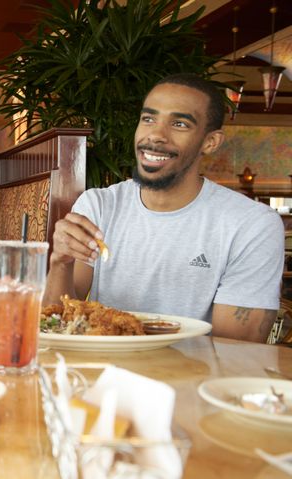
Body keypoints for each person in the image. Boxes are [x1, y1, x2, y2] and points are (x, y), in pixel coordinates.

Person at [42, 73, 284, 343]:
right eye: (148, 119)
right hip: (102, 376)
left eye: (180, 123)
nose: (156, 135)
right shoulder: (99, 205)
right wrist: (60, 263)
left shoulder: (251, 225)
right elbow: (55, 324)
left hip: (194, 380)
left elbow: (237, 351)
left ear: (210, 142)